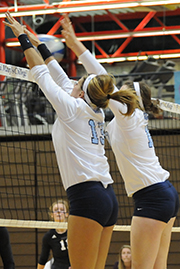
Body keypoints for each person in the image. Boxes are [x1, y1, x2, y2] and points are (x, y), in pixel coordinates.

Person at [3, 12, 140, 269]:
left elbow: (42, 71)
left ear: (81, 93)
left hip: (87, 197)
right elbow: (56, 71)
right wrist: (36, 39)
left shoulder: (70, 109)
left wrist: (21, 36)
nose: (72, 82)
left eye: (77, 82)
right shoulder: (93, 109)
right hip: (107, 198)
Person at [55, 15, 180, 269]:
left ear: (130, 98)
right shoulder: (132, 117)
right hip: (165, 192)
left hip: (153, 197)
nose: (116, 90)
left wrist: (76, 44)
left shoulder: (128, 113)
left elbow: (100, 74)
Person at [37, 199, 70, 269]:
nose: (58, 212)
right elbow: (43, 259)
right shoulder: (48, 236)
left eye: (62, 209)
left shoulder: (73, 232)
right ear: (52, 215)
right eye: (56, 210)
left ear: (67, 214)